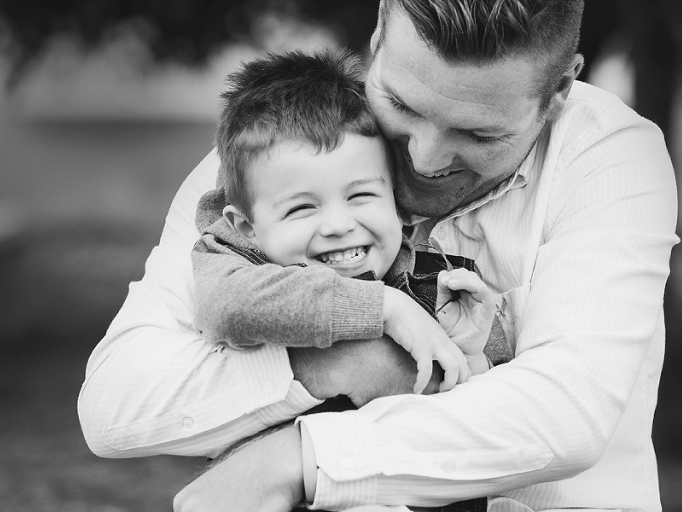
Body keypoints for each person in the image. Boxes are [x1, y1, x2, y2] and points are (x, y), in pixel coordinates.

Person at [78, 1, 679, 511]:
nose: (423, 157)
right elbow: (114, 406)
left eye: (480, 134)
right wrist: (333, 364)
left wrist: (298, 456)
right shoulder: (278, 157)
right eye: (404, 106)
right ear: (377, 40)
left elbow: (566, 411)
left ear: (560, 90)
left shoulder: (612, 158)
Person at [192, 48, 499, 397]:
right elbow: (223, 307)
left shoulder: (435, 281)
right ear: (247, 228)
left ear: (396, 203)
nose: (338, 225)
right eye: (301, 208)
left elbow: (493, 414)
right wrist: (383, 307)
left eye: (360, 197)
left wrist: (472, 356)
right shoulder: (237, 265)